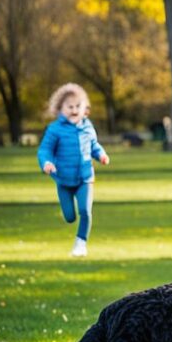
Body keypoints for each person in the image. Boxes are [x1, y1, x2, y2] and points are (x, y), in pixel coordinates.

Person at [37, 83, 110, 257]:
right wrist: (46, 163)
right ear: (60, 108)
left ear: (85, 108)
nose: (74, 110)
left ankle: (81, 243)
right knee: (70, 217)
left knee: (85, 211)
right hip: (63, 180)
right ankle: (74, 227)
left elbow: (94, 146)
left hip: (85, 178)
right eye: (70, 107)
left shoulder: (87, 127)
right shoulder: (54, 129)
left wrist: (101, 155)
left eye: (78, 106)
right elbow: (45, 150)